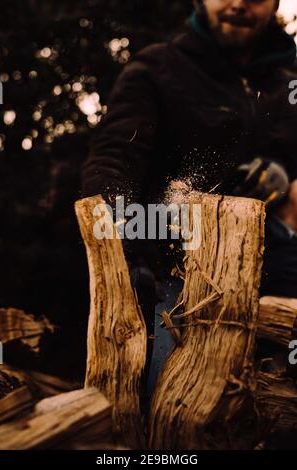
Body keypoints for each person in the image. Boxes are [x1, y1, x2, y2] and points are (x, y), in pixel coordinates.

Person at [81, 0, 297, 380]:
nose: (240, 3)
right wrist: (124, 252)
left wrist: (284, 171)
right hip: (176, 268)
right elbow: (114, 159)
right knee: (176, 393)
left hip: (273, 262)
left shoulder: (287, 83)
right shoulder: (157, 68)